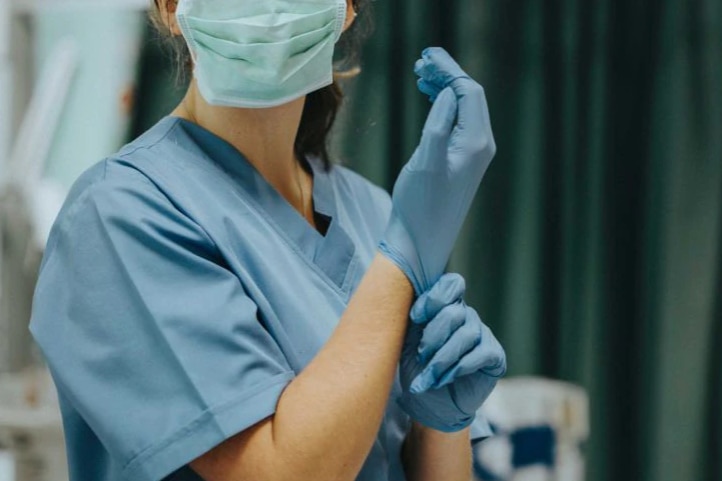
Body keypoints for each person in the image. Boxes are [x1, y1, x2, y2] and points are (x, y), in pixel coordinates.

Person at [29, 0, 506, 480]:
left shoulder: (377, 212)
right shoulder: (119, 213)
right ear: (172, 8)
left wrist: (441, 426)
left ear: (347, 9)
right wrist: (404, 253)